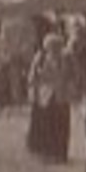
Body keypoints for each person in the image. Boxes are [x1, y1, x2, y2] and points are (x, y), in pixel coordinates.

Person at [26, 32, 71, 163]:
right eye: (52, 47)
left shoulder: (66, 58)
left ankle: (61, 154)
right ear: (47, 47)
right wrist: (34, 92)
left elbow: (72, 75)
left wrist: (70, 87)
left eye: (57, 47)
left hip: (61, 96)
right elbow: (32, 77)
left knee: (61, 126)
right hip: (45, 96)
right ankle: (48, 153)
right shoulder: (40, 58)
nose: (55, 50)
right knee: (48, 126)